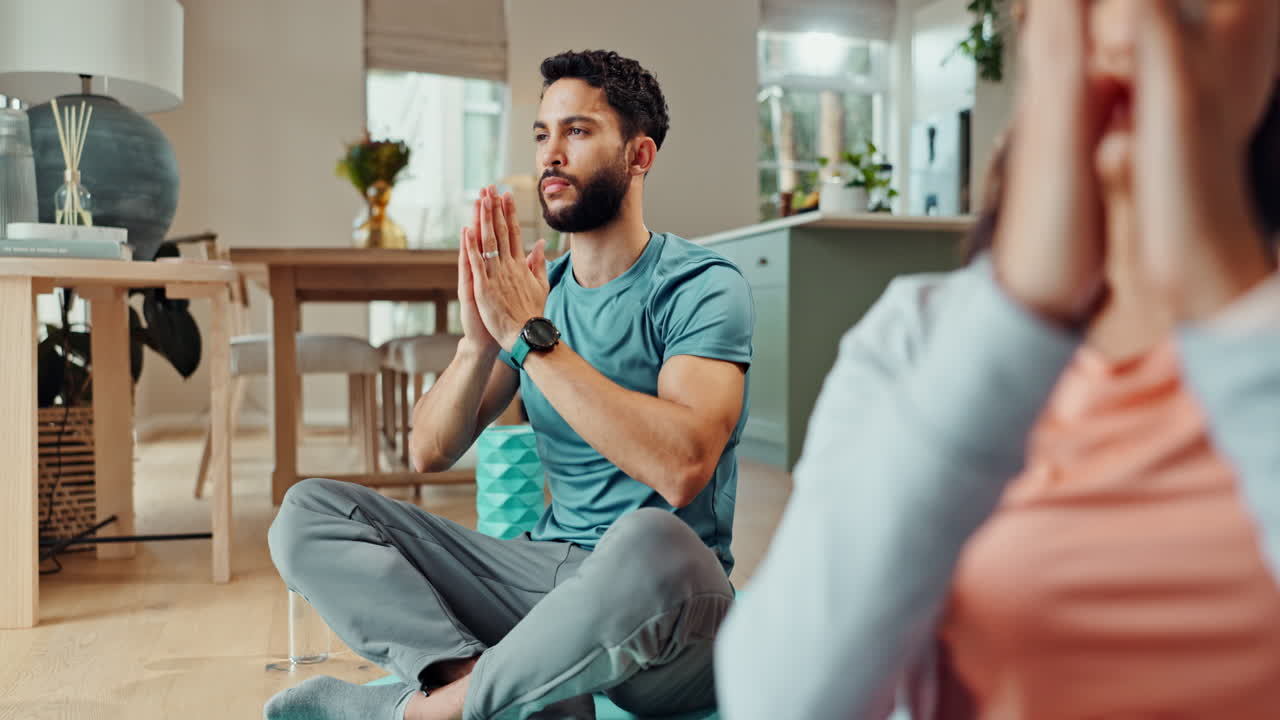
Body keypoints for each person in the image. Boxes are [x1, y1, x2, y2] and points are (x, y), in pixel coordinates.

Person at [716, 1, 1280, 718]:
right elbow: (775, 703)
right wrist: (1018, 314)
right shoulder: (916, 337)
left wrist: (1231, 301)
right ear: (1030, 21)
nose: (1140, 21)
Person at [262, 50, 752, 720]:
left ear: (640, 157)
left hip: (667, 611)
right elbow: (427, 451)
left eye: (577, 132)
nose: (551, 153)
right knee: (307, 513)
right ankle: (492, 685)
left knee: (649, 538)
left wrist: (531, 337)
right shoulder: (536, 298)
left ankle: (422, 712)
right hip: (544, 577)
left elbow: (683, 466)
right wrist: (478, 342)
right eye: (543, 134)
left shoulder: (701, 286)